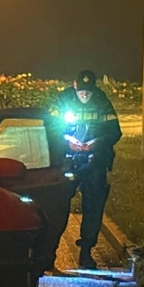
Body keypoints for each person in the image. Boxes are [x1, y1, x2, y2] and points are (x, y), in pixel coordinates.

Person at [51, 70, 122, 269]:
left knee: (93, 206)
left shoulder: (101, 100)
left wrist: (97, 142)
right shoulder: (63, 99)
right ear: (74, 86)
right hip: (67, 160)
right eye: (82, 91)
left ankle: (86, 252)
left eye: (88, 92)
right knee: (57, 205)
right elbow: (51, 128)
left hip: (94, 161)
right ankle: (50, 251)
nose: (85, 95)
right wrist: (67, 142)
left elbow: (115, 131)